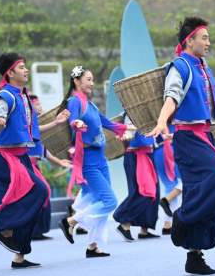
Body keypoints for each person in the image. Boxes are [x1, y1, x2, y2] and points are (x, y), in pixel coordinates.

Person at [147, 16, 215, 275]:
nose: (208, 42)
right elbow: (171, 97)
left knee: (210, 187)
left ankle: (194, 256)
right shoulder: (180, 66)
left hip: (205, 136)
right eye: (204, 37)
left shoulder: (205, 70)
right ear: (189, 41)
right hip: (187, 137)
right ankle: (183, 217)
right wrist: (163, 121)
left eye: (208, 37)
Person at [0, 52, 70, 269]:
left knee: (40, 193)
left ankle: (19, 256)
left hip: (21, 156)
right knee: (37, 192)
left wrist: (55, 123)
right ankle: (5, 230)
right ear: (10, 73)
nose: (25, 70)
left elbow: (30, 131)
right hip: (5, 158)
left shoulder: (23, 97)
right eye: (21, 66)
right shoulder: (5, 96)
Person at [57, 66, 136, 257]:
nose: (92, 83)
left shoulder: (90, 105)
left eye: (93, 80)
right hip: (87, 159)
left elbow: (108, 124)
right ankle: (71, 222)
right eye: (88, 79)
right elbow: (72, 120)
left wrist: (133, 127)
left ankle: (92, 246)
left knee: (100, 200)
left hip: (100, 157)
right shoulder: (74, 101)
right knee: (109, 201)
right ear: (76, 81)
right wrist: (77, 123)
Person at [27, 95, 73, 241]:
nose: (40, 107)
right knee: (38, 194)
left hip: (34, 165)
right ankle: (29, 231)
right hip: (26, 165)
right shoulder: (26, 123)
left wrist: (59, 162)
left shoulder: (33, 125)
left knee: (44, 193)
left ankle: (38, 231)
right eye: (37, 104)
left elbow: (41, 148)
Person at [113, 112, 161, 241]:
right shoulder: (131, 112)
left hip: (148, 154)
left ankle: (144, 229)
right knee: (144, 192)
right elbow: (130, 132)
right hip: (136, 155)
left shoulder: (148, 110)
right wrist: (127, 136)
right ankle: (124, 221)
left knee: (154, 193)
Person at [152, 124, 183, 235]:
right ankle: (167, 199)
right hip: (170, 150)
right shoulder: (174, 119)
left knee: (170, 186)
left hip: (157, 152)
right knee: (189, 178)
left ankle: (167, 224)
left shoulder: (151, 121)